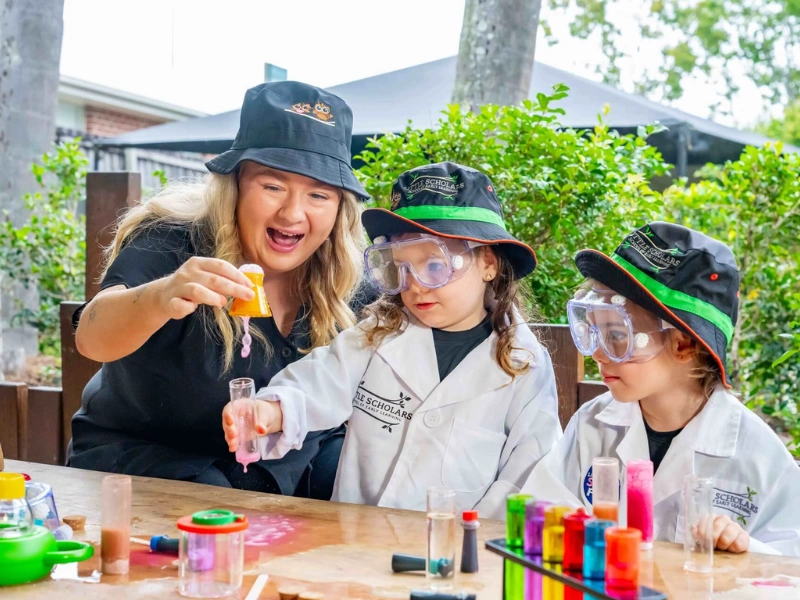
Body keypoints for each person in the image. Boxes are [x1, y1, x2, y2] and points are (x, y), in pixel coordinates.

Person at [67, 81, 373, 500]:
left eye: (319, 195)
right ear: (236, 184)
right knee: (214, 505)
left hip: (283, 473)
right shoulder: (172, 242)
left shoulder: (347, 278)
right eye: (273, 186)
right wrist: (161, 296)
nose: (293, 212)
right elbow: (91, 337)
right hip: (149, 463)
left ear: (340, 209)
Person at [222, 162, 562, 519]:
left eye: (434, 266)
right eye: (399, 267)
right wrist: (270, 411)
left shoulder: (525, 365)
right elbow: (317, 383)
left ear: (488, 263)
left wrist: (475, 543)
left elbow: (528, 472)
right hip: (357, 540)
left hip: (457, 556)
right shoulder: (377, 334)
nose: (413, 284)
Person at [523, 222, 800, 556]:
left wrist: (746, 550)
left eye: (617, 336)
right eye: (594, 332)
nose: (597, 353)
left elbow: (789, 566)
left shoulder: (759, 457)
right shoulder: (592, 427)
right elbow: (539, 516)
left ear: (684, 344)